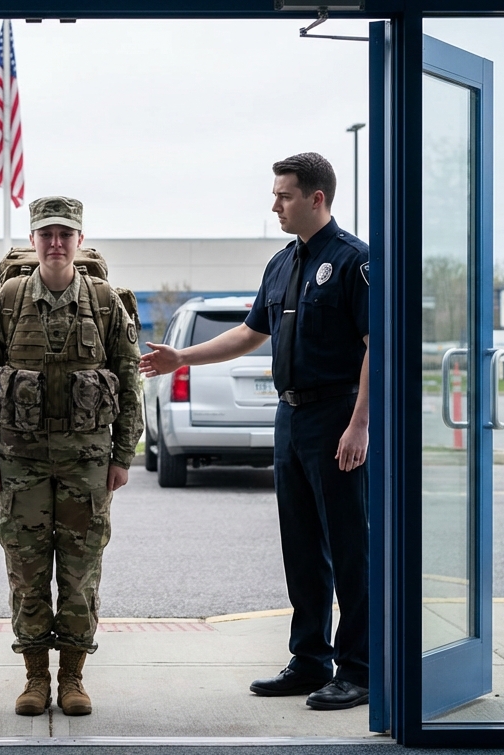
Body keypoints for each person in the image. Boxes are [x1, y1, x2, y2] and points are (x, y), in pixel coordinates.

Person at [139, 153, 371, 711]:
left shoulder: (355, 263)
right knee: (301, 545)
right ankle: (310, 659)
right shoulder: (282, 264)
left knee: (350, 546)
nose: (275, 206)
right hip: (291, 419)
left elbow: (376, 348)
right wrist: (182, 357)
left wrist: (361, 424)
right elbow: (249, 335)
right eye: (275, 194)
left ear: (317, 198)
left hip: (340, 415)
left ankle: (360, 670)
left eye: (284, 195)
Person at [0, 196, 143, 717]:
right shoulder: (9, 300)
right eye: (47, 234)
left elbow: (129, 383)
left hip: (87, 462)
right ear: (34, 239)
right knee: (26, 569)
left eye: (66, 234)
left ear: (79, 239)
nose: (56, 243)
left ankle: (73, 678)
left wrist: (123, 456)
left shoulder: (107, 302)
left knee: (81, 572)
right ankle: (35, 678)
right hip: (20, 462)